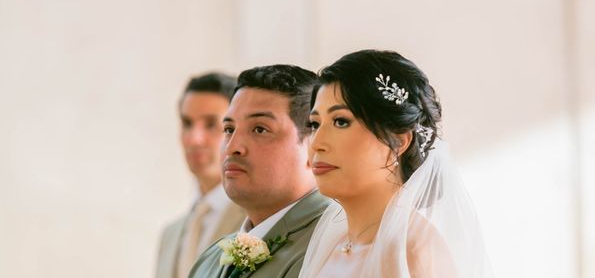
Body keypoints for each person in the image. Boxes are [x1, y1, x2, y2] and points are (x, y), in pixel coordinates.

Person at [300, 50, 493, 278]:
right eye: (314, 124)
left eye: (341, 122)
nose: (317, 144)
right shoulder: (335, 242)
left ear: (398, 142)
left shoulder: (414, 251)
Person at [189, 65, 330, 278]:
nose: (232, 147)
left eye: (260, 129)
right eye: (228, 129)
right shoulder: (210, 258)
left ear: (313, 146)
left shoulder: (333, 251)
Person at [156, 73, 245, 278]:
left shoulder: (257, 221)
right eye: (187, 123)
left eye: (211, 124)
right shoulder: (169, 236)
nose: (194, 139)